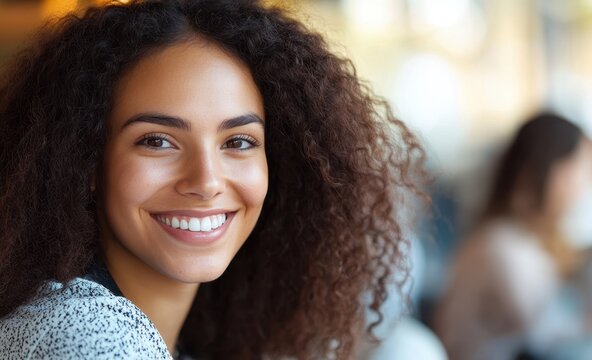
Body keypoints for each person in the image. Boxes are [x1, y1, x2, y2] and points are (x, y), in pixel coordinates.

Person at [0, 1, 427, 358]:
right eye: (157, 141)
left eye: (238, 142)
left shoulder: (184, 336)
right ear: (87, 162)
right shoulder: (84, 338)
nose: (206, 181)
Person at [434, 113, 592, 360]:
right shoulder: (502, 248)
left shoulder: (520, 240)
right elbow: (553, 338)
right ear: (552, 170)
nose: (588, 186)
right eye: (583, 170)